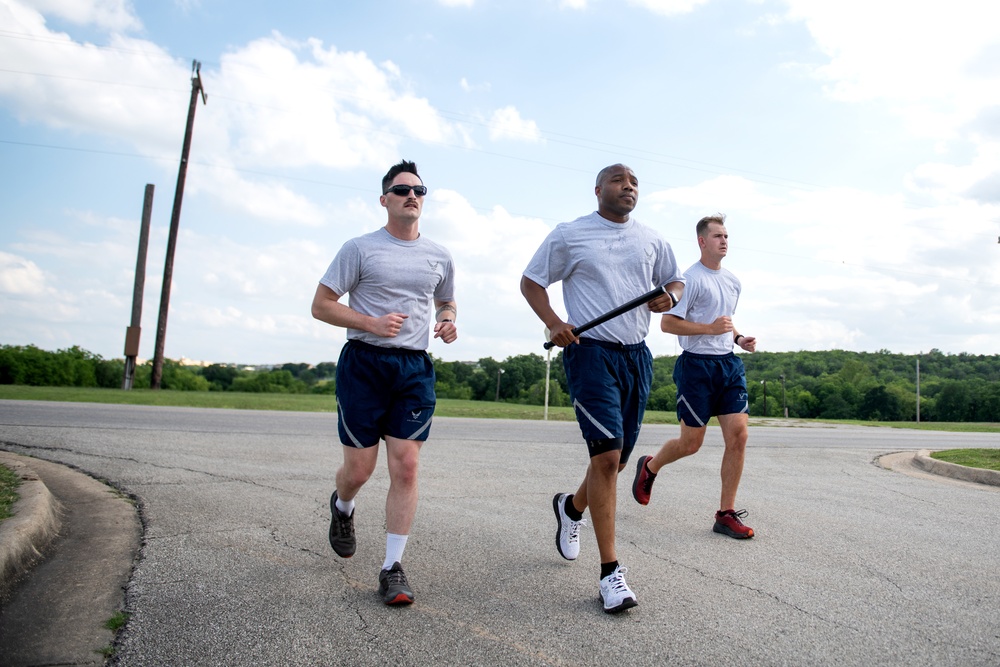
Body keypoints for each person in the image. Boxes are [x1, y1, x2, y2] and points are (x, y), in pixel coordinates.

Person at [520, 164, 684, 614]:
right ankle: (610, 573)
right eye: (618, 180)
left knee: (614, 461)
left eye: (634, 181)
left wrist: (668, 297)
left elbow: (676, 280)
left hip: (637, 356)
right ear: (598, 190)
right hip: (590, 353)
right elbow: (531, 281)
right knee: (607, 458)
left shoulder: (652, 238)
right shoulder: (570, 234)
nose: (627, 186)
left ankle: (571, 508)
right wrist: (555, 323)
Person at [311, 159, 458, 605]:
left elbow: (446, 299)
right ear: (384, 199)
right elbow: (321, 305)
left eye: (419, 190)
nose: (412, 195)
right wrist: (370, 323)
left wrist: (448, 320)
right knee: (359, 470)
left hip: (414, 368)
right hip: (364, 364)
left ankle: (392, 567)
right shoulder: (360, 248)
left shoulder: (439, 254)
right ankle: (342, 506)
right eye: (401, 190)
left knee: (406, 466)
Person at [631, 214, 757, 539]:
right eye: (717, 236)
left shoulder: (732, 281)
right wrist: (710, 329)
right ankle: (650, 466)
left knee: (739, 437)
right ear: (702, 241)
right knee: (691, 444)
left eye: (727, 235)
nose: (724, 240)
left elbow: (725, 323)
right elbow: (668, 323)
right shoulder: (690, 280)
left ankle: (725, 513)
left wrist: (739, 339)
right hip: (696, 367)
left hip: (728, 365)